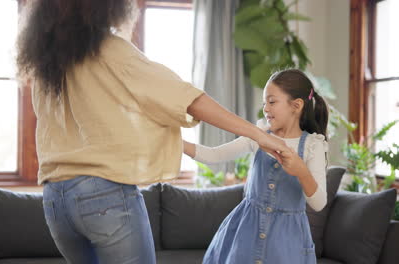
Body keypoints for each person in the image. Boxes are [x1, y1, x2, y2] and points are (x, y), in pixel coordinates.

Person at [16, 1, 289, 263]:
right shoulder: (108, 48)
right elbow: (185, 98)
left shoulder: (45, 64)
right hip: (101, 193)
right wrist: (258, 133)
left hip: (55, 201)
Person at [184, 69, 329, 264]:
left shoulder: (314, 145)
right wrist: (176, 142)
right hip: (246, 233)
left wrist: (301, 171)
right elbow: (214, 155)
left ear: (296, 105)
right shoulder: (259, 134)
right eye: (264, 103)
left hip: (287, 242)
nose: (265, 109)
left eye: (272, 101)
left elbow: (318, 203)